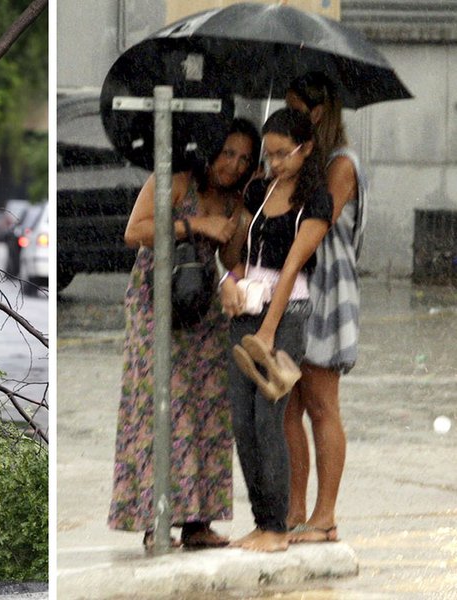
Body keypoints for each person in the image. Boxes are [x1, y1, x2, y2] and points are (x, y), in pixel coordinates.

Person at [109, 118, 260, 548]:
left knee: (207, 410)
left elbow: (230, 259)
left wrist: (241, 223)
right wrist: (194, 226)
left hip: (203, 310)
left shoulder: (233, 200)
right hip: (156, 303)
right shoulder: (175, 182)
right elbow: (135, 232)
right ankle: (155, 518)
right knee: (161, 406)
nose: (233, 165)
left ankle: (198, 521)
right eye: (229, 153)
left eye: (244, 159)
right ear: (211, 148)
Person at [219, 108, 332, 552]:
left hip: (286, 314)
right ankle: (262, 519)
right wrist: (229, 280)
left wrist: (268, 331)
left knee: (269, 418)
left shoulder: (316, 200)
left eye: (284, 154)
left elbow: (289, 271)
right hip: (246, 305)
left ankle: (279, 528)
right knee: (242, 420)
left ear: (305, 150)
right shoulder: (259, 190)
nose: (276, 164)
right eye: (269, 155)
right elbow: (237, 247)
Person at [282, 72, 366, 544]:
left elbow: (317, 216)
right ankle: (296, 509)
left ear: (317, 112)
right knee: (289, 403)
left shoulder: (341, 163)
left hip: (328, 285)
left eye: (298, 108)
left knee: (320, 401)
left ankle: (325, 514)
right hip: (296, 281)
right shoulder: (305, 157)